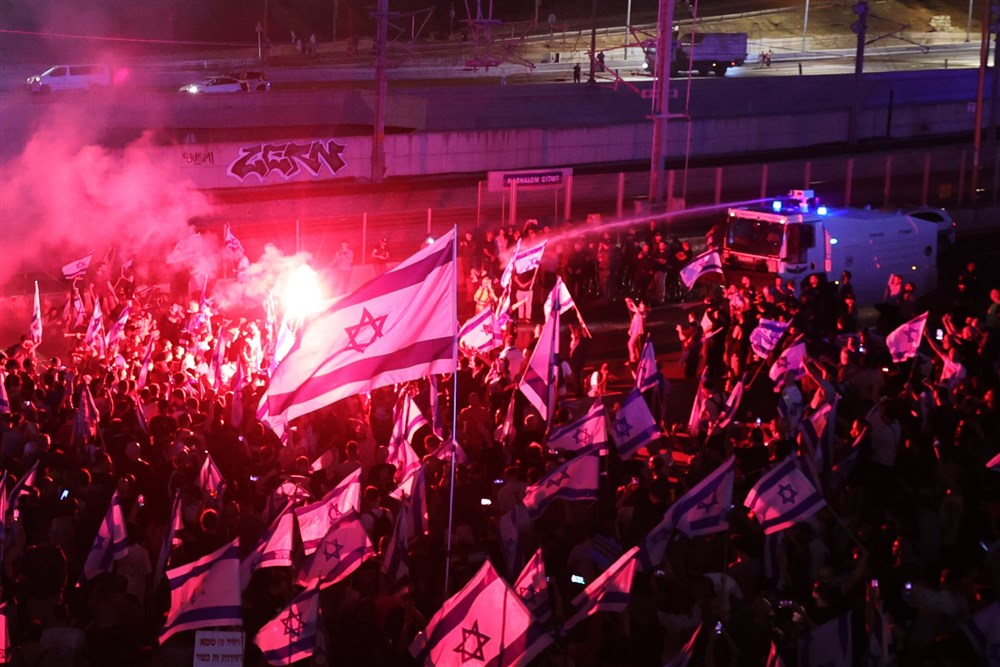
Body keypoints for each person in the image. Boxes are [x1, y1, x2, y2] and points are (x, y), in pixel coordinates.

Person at [625, 297, 647, 365]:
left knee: (630, 343)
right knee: (634, 344)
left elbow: (637, 311)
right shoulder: (638, 312)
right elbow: (631, 308)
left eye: (642, 307)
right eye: (640, 307)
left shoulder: (644, 313)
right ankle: (637, 358)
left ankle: (632, 358)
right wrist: (628, 302)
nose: (641, 308)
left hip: (638, 331)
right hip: (634, 330)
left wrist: (632, 303)